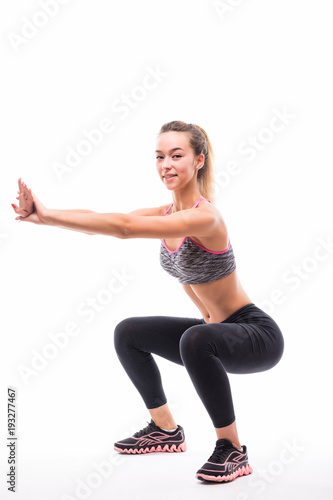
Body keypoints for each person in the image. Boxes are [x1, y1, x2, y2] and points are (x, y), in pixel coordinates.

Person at [12, 120, 284, 483]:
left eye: (176, 155)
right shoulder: (166, 214)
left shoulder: (206, 218)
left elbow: (125, 228)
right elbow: (101, 223)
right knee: (130, 332)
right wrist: (44, 218)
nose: (165, 164)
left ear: (199, 160)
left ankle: (232, 450)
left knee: (196, 338)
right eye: (159, 156)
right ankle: (165, 429)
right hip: (211, 333)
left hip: (254, 334)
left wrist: (46, 216)